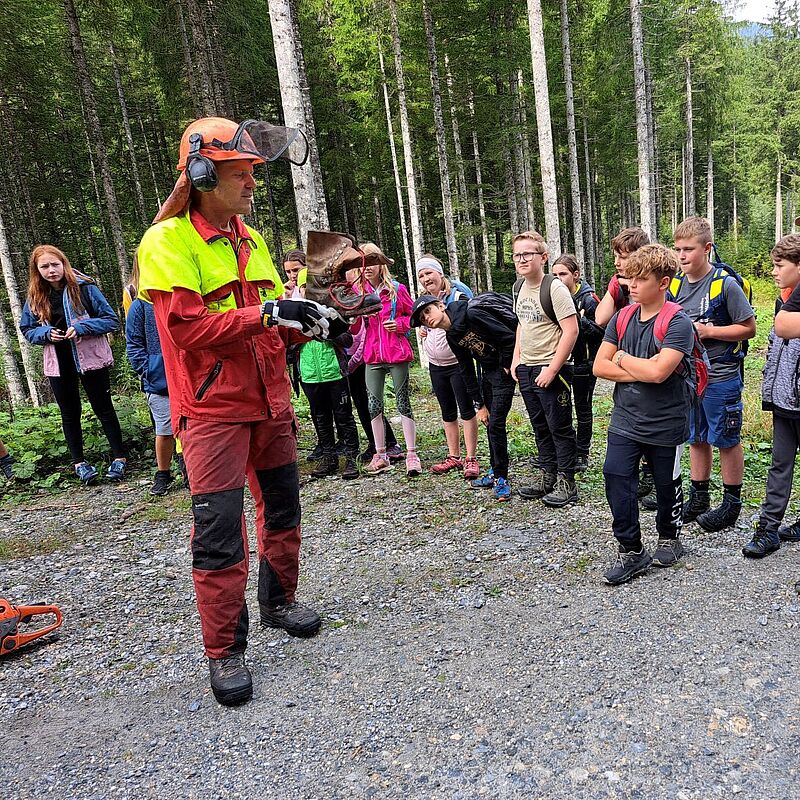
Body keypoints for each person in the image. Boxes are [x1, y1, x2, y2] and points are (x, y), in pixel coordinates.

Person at [136, 116, 345, 706]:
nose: (253, 181)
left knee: (282, 509)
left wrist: (312, 322)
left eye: (254, 170)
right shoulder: (167, 241)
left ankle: (279, 601)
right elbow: (186, 330)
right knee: (220, 531)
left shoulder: (249, 239)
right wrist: (267, 315)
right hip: (212, 412)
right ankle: (224, 650)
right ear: (203, 174)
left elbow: (272, 318)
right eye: (240, 172)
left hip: (271, 402)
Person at [593, 244, 697, 585]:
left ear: (663, 282)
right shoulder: (622, 317)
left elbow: (659, 373)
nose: (632, 285)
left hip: (667, 420)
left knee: (666, 484)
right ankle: (631, 550)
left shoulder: (678, 322)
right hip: (626, 417)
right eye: (629, 278)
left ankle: (669, 537)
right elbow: (599, 366)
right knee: (615, 475)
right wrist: (641, 368)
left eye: (640, 279)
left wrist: (622, 358)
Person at [671, 217, 756, 532]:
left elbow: (748, 328)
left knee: (726, 439)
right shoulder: (675, 285)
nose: (682, 255)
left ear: (707, 248)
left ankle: (731, 503)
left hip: (721, 374)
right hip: (690, 377)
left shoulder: (725, 284)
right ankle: (699, 496)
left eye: (689, 249)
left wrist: (710, 331)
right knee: (696, 436)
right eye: (678, 249)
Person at [20, 245, 126, 484]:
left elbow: (111, 320)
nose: (51, 270)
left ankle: (119, 458)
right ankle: (79, 463)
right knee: (69, 413)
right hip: (58, 363)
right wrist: (45, 333)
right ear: (37, 270)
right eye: (44, 266)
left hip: (91, 359)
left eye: (55, 264)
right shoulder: (36, 296)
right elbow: (27, 329)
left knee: (104, 408)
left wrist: (81, 327)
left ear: (63, 264)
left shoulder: (85, 288)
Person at [410, 290, 518, 501]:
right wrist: (479, 404)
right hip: (488, 372)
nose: (427, 318)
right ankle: (496, 470)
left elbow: (508, 336)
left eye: (428, 311)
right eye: (422, 318)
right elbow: (466, 368)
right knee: (490, 422)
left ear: (441, 305)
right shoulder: (452, 336)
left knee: (496, 423)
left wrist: (507, 365)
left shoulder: (471, 314)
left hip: (504, 370)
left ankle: (501, 478)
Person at [511, 232, 579, 507]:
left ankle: (567, 481)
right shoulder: (518, 287)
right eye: (517, 255)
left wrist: (552, 369)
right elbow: (522, 324)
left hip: (552, 368)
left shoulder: (555, 288)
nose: (522, 259)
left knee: (559, 426)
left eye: (528, 254)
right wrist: (516, 359)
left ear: (543, 257)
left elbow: (571, 330)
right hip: (527, 367)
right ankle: (548, 474)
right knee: (539, 425)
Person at [743, 234, 800, 557]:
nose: (774, 272)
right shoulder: (784, 299)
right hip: (784, 399)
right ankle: (768, 529)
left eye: (780, 265)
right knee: (780, 463)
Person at [356, 244, 420, 477]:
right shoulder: (358, 293)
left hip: (396, 353)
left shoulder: (396, 289)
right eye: (362, 263)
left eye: (372, 262)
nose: (367, 268)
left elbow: (415, 316)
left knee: (403, 402)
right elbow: (351, 324)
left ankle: (412, 454)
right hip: (372, 356)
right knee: (373, 405)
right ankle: (381, 454)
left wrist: (400, 325)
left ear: (381, 263)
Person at [415, 254, 480, 479]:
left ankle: (471, 458)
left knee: (466, 409)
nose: (426, 278)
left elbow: (470, 323)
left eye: (429, 273)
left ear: (440, 273)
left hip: (457, 362)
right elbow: (425, 325)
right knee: (447, 411)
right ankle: (454, 456)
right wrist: (423, 331)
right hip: (436, 365)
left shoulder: (458, 294)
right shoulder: (423, 301)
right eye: (421, 275)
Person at [296, 268, 360, 480]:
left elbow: (347, 340)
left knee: (344, 417)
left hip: (335, 373)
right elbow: (287, 348)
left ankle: (352, 458)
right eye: (304, 287)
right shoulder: (294, 316)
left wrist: (326, 332)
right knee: (320, 418)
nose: (308, 292)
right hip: (309, 375)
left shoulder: (331, 312)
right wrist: (301, 336)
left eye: (312, 287)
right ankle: (329, 458)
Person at [125, 256, 179, 496]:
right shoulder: (140, 306)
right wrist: (150, 370)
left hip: (187, 377)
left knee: (193, 428)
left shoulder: (180, 297)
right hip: (159, 381)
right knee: (165, 429)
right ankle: (163, 473)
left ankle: (192, 470)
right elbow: (134, 345)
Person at [551, 254, 604, 472]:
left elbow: (603, 332)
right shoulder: (553, 295)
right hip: (562, 362)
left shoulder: (589, 299)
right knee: (561, 407)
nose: (558, 279)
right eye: (554, 275)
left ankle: (582, 452)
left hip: (584, 363)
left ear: (575, 275)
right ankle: (564, 450)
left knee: (583, 409)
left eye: (563, 274)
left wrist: (580, 322)